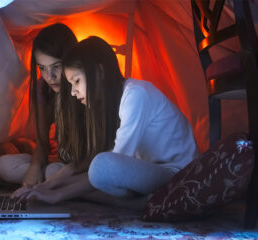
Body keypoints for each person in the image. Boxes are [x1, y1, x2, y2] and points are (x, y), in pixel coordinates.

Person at [11, 36, 199, 210]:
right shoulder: (112, 102)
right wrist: (45, 186)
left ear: (99, 72)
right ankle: (137, 202)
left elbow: (109, 164)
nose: (73, 92)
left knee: (102, 167)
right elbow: (91, 163)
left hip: (175, 174)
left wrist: (58, 194)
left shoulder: (135, 95)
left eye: (76, 81)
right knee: (75, 169)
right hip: (147, 173)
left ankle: (135, 203)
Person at [0, 23, 85, 189]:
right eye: (42, 68)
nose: (49, 77)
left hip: (81, 164)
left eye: (56, 67)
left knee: (52, 172)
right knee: (3, 165)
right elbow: (42, 143)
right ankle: (52, 181)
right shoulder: (42, 88)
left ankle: (59, 182)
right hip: (53, 161)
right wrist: (35, 167)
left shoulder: (83, 88)